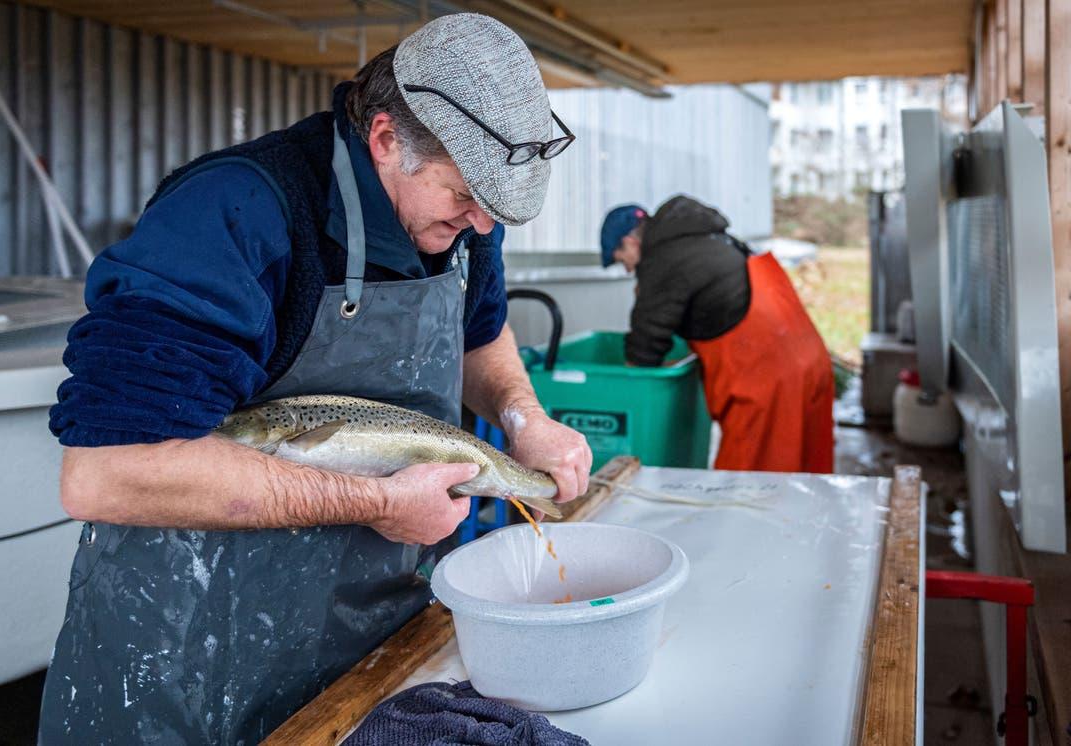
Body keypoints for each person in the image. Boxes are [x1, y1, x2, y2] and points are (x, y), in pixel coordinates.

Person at [40, 14, 591, 743]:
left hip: (373, 632)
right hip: (188, 654)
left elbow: (479, 333)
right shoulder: (234, 214)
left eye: (496, 208)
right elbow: (104, 474)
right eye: (464, 196)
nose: (485, 226)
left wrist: (527, 416)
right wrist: (376, 501)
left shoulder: (463, 224)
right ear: (388, 139)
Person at [600, 196, 833, 473]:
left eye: (621, 259)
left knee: (748, 486)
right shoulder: (705, 238)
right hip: (808, 359)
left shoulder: (662, 259)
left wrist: (618, 396)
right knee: (805, 478)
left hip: (766, 375)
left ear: (630, 242)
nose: (628, 269)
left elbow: (645, 346)